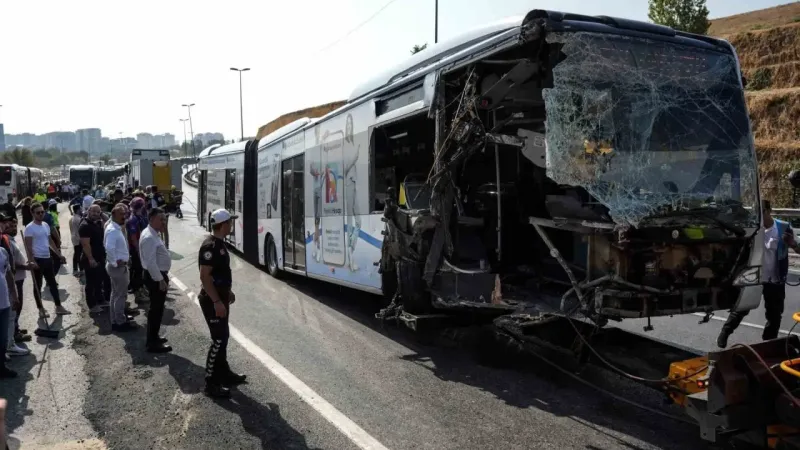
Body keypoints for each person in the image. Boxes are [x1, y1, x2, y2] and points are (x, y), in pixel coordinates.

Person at [717, 200, 800, 348]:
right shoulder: (753, 228)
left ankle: (768, 344)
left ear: (769, 211)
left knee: (774, 316)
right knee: (741, 309)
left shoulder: (783, 227)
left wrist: (792, 243)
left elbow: (797, 248)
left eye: (762, 212)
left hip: (775, 279)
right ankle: (725, 333)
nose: (759, 216)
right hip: (754, 277)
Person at [199, 209, 246, 398]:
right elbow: (205, 276)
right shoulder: (210, 246)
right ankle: (211, 383)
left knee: (224, 338)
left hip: (221, 296)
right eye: (230, 222)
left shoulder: (219, 243)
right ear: (224, 225)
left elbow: (219, 273)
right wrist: (217, 301)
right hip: (212, 300)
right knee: (218, 340)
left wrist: (228, 292)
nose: (232, 225)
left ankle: (224, 373)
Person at [24, 203, 68, 318]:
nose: (40, 214)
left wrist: (59, 255)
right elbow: (28, 247)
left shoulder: (45, 225)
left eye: (42, 212)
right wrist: (31, 260)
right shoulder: (29, 228)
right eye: (38, 212)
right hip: (37, 259)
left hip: (47, 258)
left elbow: (50, 242)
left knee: (53, 283)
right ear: (32, 214)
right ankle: (40, 309)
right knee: (37, 285)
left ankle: (58, 306)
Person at [139, 207, 172, 353]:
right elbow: (150, 262)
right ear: (151, 219)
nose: (164, 222)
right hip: (155, 277)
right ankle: (152, 342)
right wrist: (160, 280)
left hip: (157, 275)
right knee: (156, 310)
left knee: (158, 309)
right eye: (161, 219)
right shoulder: (149, 237)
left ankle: (155, 336)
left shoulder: (154, 233)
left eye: (164, 219)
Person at [2, 214, 32, 350]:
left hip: (16, 278)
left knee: (16, 307)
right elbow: (9, 264)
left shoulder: (9, 239)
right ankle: (12, 337)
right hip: (11, 279)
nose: (11, 227)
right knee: (13, 308)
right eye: (8, 224)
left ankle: (15, 330)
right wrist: (26, 266)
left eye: (14, 225)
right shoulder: (4, 240)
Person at [105, 204, 135, 332]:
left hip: (117, 266)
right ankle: (120, 322)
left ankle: (116, 320)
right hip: (118, 268)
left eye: (124, 214)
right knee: (120, 295)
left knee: (115, 294)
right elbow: (109, 248)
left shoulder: (115, 227)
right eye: (121, 214)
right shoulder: (113, 230)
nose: (124, 216)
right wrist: (115, 263)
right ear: (113, 215)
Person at [80, 205, 111, 314]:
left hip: (100, 257)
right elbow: (85, 244)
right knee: (91, 283)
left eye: (98, 212)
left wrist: (101, 213)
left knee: (99, 281)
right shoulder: (85, 225)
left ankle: (100, 300)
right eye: (93, 211)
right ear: (88, 211)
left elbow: (110, 221)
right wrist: (91, 258)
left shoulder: (97, 223)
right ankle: (92, 305)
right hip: (91, 259)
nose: (96, 214)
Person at [0, 239, 19, 378]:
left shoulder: (2, 252)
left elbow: (8, 274)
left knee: (3, 337)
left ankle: (1, 367)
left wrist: (13, 294)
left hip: (4, 302)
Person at [126, 197, 147, 298]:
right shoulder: (133, 219)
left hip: (140, 247)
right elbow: (133, 238)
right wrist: (139, 251)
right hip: (136, 249)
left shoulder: (139, 217)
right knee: (137, 270)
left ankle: (140, 288)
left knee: (140, 270)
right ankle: (137, 293)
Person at [69, 204, 83, 276]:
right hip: (78, 239)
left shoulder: (72, 218)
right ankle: (80, 270)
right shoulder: (78, 219)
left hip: (74, 238)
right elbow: (80, 230)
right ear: (78, 210)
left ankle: (75, 269)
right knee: (79, 255)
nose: (82, 210)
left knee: (76, 254)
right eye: (81, 209)